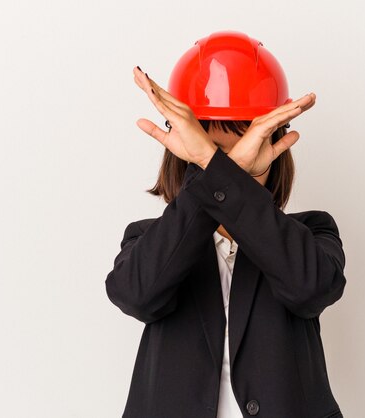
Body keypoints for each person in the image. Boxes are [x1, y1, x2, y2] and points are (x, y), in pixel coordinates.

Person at [105, 30, 346, 418]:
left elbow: (312, 288)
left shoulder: (313, 232)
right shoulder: (148, 237)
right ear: (181, 155)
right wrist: (224, 176)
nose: (231, 168)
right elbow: (134, 295)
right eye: (211, 154)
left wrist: (212, 167)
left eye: (242, 149)